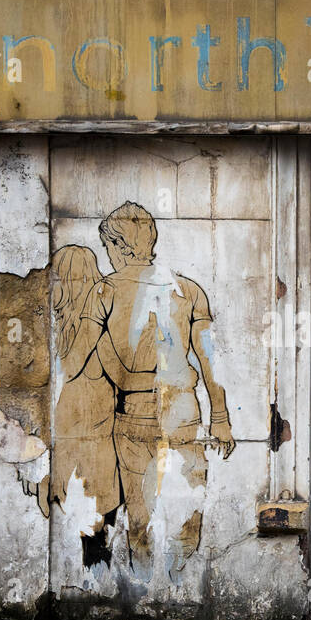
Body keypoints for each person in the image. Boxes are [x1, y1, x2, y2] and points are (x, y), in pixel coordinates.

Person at [93, 201, 234, 574]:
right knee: (188, 513)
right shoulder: (188, 290)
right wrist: (220, 418)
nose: (108, 255)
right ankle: (180, 586)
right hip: (183, 409)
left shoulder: (104, 290)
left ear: (122, 245)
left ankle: (142, 594)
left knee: (139, 518)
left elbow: (93, 357)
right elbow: (209, 360)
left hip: (133, 410)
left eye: (109, 246)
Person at [44, 244, 156, 566]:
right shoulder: (87, 327)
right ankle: (98, 586)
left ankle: (98, 588)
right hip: (88, 442)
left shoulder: (83, 328)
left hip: (88, 442)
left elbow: (79, 366)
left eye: (60, 278)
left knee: (92, 533)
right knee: (95, 534)